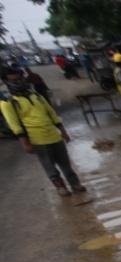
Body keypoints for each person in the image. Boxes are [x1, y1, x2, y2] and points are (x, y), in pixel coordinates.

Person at [0, 66, 86, 196]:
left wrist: (63, 131)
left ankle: (75, 184)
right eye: (14, 80)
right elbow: (15, 125)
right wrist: (25, 143)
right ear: (6, 82)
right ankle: (60, 187)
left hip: (53, 135)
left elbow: (51, 113)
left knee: (65, 163)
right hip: (36, 139)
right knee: (48, 165)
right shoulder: (8, 103)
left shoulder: (36, 96)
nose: (18, 82)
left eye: (20, 79)